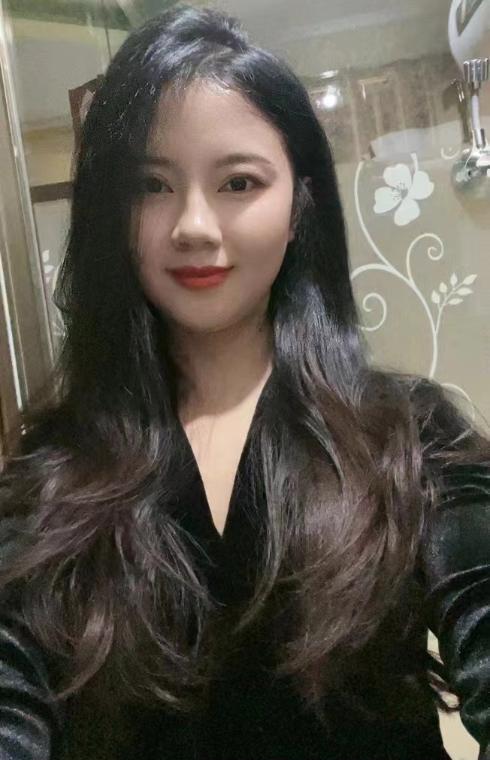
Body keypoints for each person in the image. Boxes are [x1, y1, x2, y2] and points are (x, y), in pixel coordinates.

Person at [0, 5, 489, 759]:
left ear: (298, 207)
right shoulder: (51, 473)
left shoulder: (411, 437)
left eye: (238, 181)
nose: (194, 225)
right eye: (151, 185)